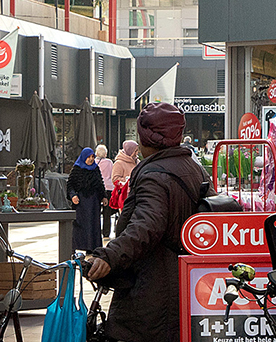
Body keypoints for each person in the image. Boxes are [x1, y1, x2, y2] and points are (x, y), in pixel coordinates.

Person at [86, 103, 203, 341]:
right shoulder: (194, 168)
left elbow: (146, 226)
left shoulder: (154, 174)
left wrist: (109, 256)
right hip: (187, 284)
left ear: (145, 138)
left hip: (153, 288)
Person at [67, 147, 106, 251]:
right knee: (80, 225)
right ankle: (79, 246)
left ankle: (93, 247)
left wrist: (103, 196)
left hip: (94, 203)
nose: (91, 159)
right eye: (89, 157)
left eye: (93, 157)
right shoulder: (77, 169)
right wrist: (73, 196)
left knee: (94, 225)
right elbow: (70, 185)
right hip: (81, 203)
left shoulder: (95, 168)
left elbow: (100, 183)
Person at [108, 141, 139, 216]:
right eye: (135, 150)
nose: (137, 153)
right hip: (125, 196)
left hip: (137, 194)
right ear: (130, 150)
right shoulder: (119, 163)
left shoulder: (137, 162)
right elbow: (115, 179)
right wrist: (127, 180)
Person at [95, 144, 117, 237]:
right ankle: (106, 232)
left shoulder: (94, 162)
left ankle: (96, 231)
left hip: (97, 188)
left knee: (96, 211)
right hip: (108, 188)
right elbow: (112, 174)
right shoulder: (109, 162)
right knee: (107, 212)